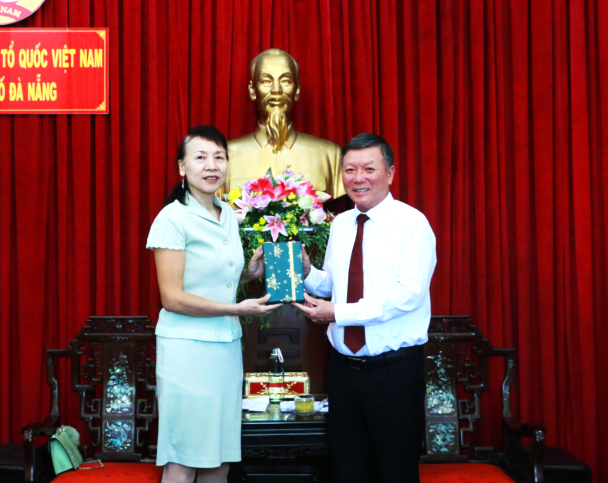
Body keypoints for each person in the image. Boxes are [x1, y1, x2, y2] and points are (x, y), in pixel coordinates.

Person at [293, 133, 437, 483]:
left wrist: (337, 314)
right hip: (343, 372)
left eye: (369, 168)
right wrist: (308, 270)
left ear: (389, 173)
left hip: (393, 373)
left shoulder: (412, 224)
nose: (358, 178)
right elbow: (333, 286)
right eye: (350, 170)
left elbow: (408, 295)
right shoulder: (342, 223)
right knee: (347, 469)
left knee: (394, 471)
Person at [147, 125, 281, 483]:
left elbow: (215, 282)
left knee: (219, 457)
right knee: (185, 455)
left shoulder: (227, 215)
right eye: (201, 157)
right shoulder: (172, 218)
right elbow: (172, 297)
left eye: (219, 157)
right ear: (182, 167)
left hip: (225, 348)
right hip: (186, 351)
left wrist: (249, 274)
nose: (211, 165)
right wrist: (239, 309)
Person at [224, 48, 345, 199]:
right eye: (266, 81)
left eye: (286, 81)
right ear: (252, 90)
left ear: (297, 90)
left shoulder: (330, 155)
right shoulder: (225, 156)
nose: (276, 90)